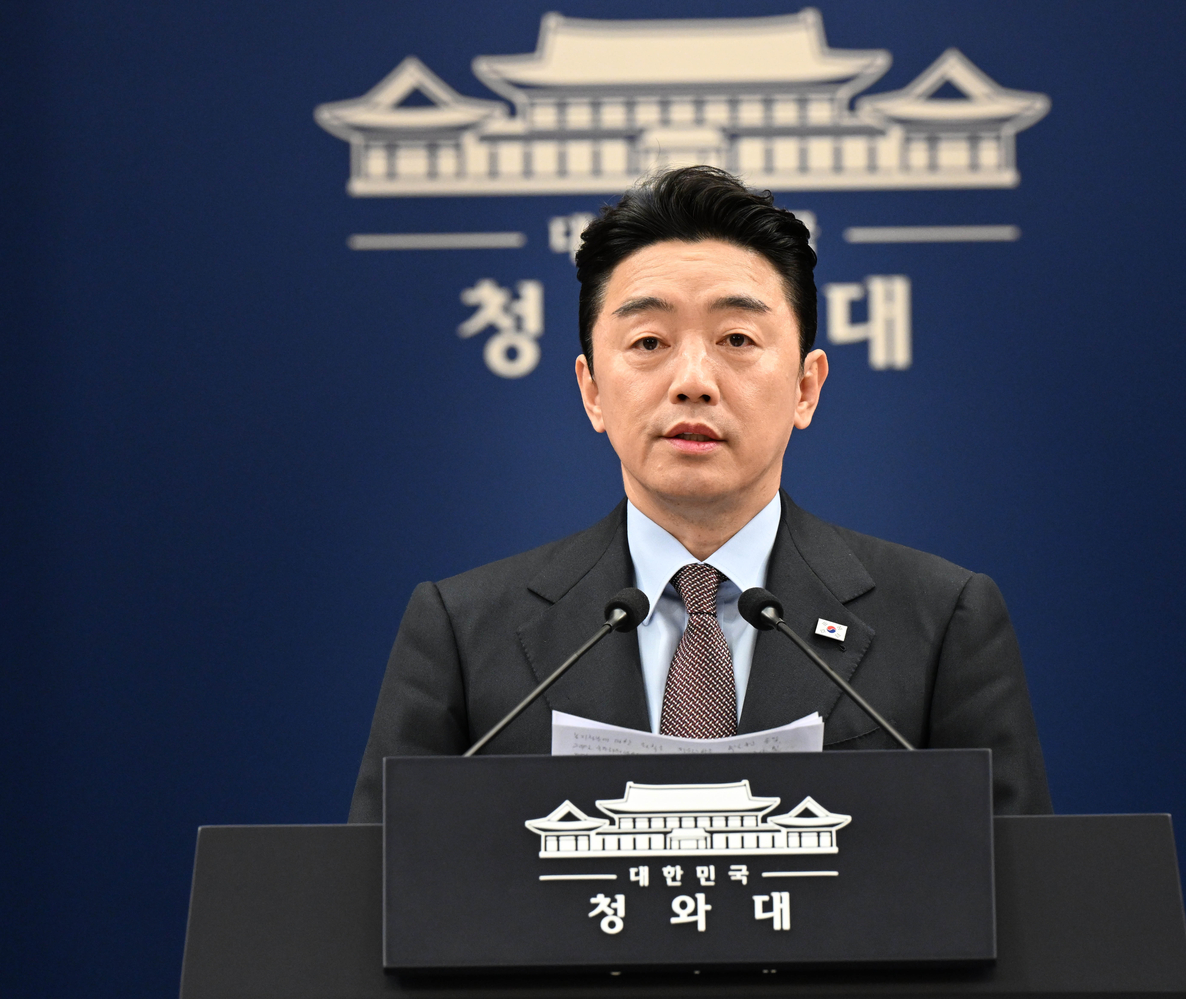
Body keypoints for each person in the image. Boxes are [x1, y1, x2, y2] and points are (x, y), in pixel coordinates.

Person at [348, 166, 1051, 822]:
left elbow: (1019, 911)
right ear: (591, 389)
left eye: (736, 337)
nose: (693, 379)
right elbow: (375, 905)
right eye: (648, 341)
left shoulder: (938, 620)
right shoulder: (464, 632)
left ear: (806, 386)